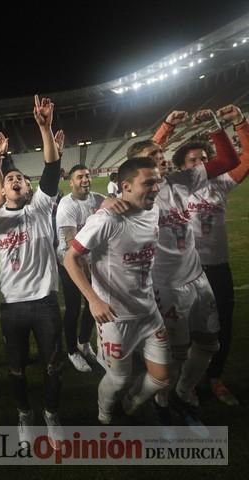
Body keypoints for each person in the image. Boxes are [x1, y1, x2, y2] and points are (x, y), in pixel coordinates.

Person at [127, 108, 240, 430]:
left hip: (198, 278)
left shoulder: (181, 180)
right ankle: (163, 403)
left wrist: (218, 127)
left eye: (162, 154)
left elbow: (229, 161)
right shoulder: (134, 195)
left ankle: (183, 391)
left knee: (209, 344)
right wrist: (163, 128)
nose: (161, 158)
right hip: (166, 287)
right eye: (154, 155)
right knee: (175, 356)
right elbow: (128, 172)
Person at [0, 95, 65, 448]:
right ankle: (25, 414)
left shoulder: (41, 207)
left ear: (28, 188)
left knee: (53, 366)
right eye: (9, 177)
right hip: (11, 306)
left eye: (20, 178)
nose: (14, 180)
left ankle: (51, 414)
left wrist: (43, 127)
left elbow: (53, 170)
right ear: (4, 187)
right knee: (16, 369)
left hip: (43, 302)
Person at [64, 157, 171, 425]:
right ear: (126, 186)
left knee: (161, 377)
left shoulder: (153, 210)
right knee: (119, 377)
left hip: (148, 312)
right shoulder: (106, 220)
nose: (156, 188)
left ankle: (131, 404)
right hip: (115, 317)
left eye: (157, 181)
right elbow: (70, 259)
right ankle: (105, 412)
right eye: (148, 182)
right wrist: (93, 300)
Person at [155, 104, 249, 406]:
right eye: (195, 159)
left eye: (205, 158)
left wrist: (239, 124)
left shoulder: (219, 184)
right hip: (183, 271)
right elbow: (142, 158)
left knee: (220, 327)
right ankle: (185, 382)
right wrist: (167, 127)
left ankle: (215, 378)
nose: (203, 161)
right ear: (184, 166)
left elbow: (243, 159)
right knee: (182, 332)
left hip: (217, 267)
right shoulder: (176, 187)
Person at [55, 164, 104, 372]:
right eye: (79, 177)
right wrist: (86, 275)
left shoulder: (99, 199)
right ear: (71, 181)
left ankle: (84, 342)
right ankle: (72, 351)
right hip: (70, 262)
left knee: (94, 306)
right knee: (74, 308)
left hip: (93, 262)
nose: (85, 180)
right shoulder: (67, 205)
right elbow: (70, 242)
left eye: (87, 176)